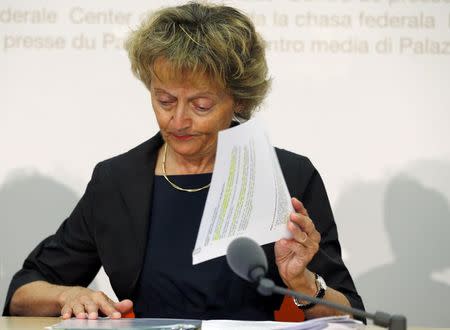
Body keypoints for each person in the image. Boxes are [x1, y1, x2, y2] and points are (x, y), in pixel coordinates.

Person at [4, 1, 364, 321]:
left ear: (237, 101)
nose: (178, 121)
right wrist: (68, 294)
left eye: (201, 105)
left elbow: (348, 311)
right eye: (164, 100)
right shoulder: (117, 180)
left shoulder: (287, 175)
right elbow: (23, 291)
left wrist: (301, 282)